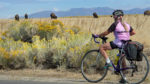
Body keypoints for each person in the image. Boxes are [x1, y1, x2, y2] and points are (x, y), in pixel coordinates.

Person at [97, 10, 136, 83]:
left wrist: (98, 35)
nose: (113, 17)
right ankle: (124, 78)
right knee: (122, 59)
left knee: (101, 47)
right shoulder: (127, 24)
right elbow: (133, 32)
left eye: (114, 16)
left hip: (118, 42)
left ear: (117, 16)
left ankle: (108, 62)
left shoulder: (115, 24)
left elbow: (106, 32)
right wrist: (125, 35)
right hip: (126, 43)